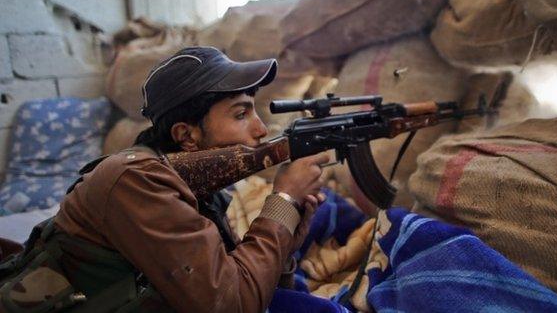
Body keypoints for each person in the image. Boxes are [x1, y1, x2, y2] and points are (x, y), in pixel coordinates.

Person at [0, 47, 329, 312]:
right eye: (241, 114)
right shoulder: (136, 181)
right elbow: (230, 304)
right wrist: (282, 200)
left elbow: (246, 291)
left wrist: (287, 239)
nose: (260, 129)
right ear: (186, 135)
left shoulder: (197, 188)